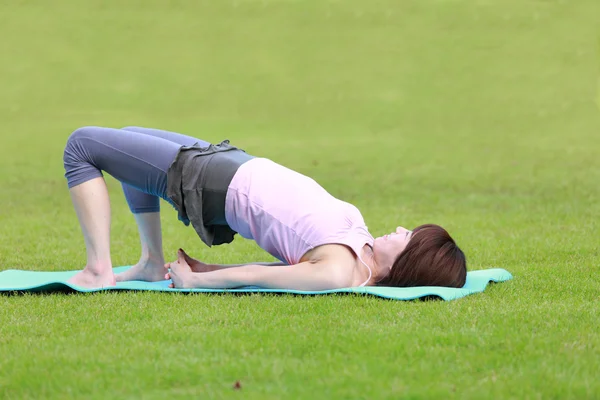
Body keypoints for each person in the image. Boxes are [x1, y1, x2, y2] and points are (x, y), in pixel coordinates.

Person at [62, 126, 466, 290]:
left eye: (407, 237)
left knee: (81, 146)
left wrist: (199, 283)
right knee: (128, 137)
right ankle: (151, 262)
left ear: (407, 265)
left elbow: (264, 276)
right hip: (231, 162)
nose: (399, 229)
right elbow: (286, 270)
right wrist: (209, 268)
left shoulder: (341, 272)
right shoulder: (357, 251)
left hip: (212, 181)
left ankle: (99, 269)